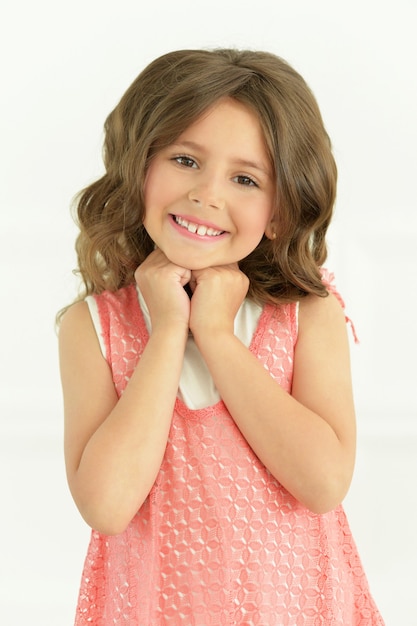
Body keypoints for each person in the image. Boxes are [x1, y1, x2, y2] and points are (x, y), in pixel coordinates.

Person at [58, 48, 384, 625]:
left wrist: (215, 334)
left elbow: (323, 482)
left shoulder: (308, 315)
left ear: (280, 211)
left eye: (244, 178)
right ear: (140, 167)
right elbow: (106, 506)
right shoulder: (94, 327)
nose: (208, 194)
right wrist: (165, 334)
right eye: (185, 160)